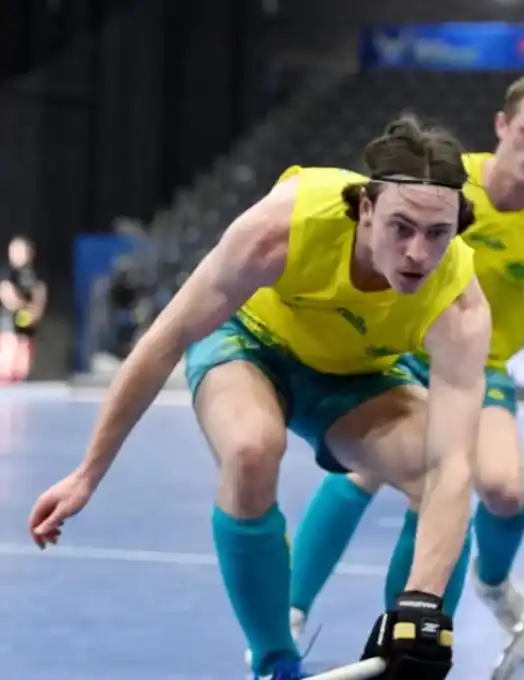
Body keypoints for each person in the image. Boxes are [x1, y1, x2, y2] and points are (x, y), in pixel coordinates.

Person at [28, 115, 492, 680]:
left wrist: (423, 605)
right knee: (252, 449)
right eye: (401, 227)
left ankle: (399, 649)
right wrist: (87, 474)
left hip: (352, 378)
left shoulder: (460, 303)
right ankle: (274, 658)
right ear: (366, 209)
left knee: (433, 467)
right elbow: (168, 336)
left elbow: (452, 467)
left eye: (437, 233)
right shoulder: (286, 225)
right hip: (247, 345)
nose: (418, 253)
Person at [283, 74, 524, 663]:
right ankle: (289, 613)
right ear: (502, 126)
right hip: (398, 355)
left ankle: (493, 584)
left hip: (480, 370)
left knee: (503, 488)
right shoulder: (442, 184)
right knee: (363, 473)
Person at [0, 235, 47, 382]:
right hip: (9, 326)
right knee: (8, 362)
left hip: (27, 329)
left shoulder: (35, 276)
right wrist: (22, 306)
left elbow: (40, 293)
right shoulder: (7, 273)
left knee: (23, 364)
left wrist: (34, 312)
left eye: (21, 250)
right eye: (14, 250)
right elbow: (7, 294)